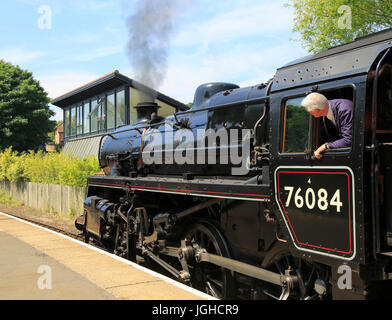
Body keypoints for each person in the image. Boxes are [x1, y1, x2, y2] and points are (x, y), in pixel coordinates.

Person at [301, 93, 353, 159]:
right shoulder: (326, 114)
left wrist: (325, 146)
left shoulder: (344, 109)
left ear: (316, 110)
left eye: (308, 110)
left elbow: (349, 140)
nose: (308, 112)